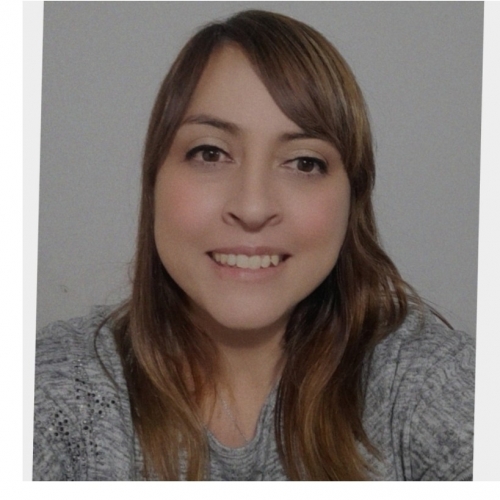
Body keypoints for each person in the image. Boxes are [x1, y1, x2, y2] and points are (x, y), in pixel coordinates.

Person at [33, 10, 474, 481]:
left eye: (304, 162)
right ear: (153, 180)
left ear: (354, 198)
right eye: (210, 153)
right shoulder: (53, 390)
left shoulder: (430, 382)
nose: (253, 206)